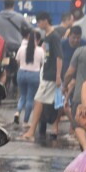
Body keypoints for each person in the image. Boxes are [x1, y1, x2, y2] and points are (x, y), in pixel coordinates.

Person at [21, 12, 62, 141]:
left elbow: (59, 56)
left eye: (39, 22)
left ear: (45, 21)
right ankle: (53, 127)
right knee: (57, 103)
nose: (38, 24)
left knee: (38, 100)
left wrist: (58, 75)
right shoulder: (48, 36)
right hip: (46, 73)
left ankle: (32, 130)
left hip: (50, 75)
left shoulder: (54, 36)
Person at [14, 30, 44, 126]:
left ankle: (17, 112)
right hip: (34, 75)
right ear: (38, 40)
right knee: (30, 98)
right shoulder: (40, 50)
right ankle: (26, 121)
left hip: (21, 73)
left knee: (23, 95)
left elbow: (17, 61)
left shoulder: (22, 49)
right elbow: (41, 64)